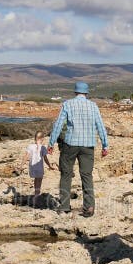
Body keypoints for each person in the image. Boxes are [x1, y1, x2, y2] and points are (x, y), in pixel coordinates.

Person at [48, 81, 109, 217]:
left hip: (70, 144)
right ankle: (89, 207)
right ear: (86, 92)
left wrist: (51, 143)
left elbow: (58, 125)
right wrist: (105, 145)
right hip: (88, 145)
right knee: (86, 175)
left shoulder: (67, 104)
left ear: (75, 92)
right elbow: (100, 126)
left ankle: (64, 206)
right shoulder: (93, 106)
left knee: (66, 174)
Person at [22, 131, 54, 196]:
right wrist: (49, 165)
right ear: (42, 139)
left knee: (36, 179)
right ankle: (37, 193)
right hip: (39, 167)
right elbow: (45, 159)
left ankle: (36, 191)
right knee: (39, 180)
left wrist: (21, 164)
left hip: (32, 167)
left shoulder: (30, 146)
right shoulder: (43, 147)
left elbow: (26, 156)